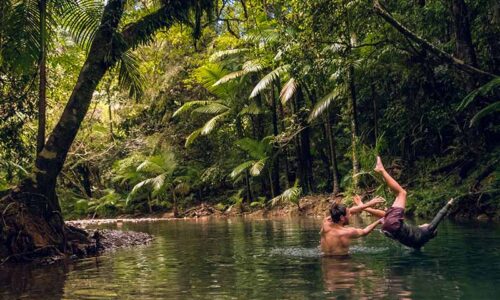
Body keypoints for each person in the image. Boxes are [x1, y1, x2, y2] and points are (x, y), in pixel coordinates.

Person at [354, 156, 455, 249]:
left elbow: (439, 216)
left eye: (426, 224)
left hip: (394, 226)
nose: (424, 224)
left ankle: (381, 170)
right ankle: (363, 207)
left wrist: (448, 205)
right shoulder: (418, 243)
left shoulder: (428, 230)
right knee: (386, 215)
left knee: (402, 193)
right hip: (389, 230)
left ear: (429, 229)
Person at [320, 198, 385, 256]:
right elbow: (365, 231)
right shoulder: (347, 232)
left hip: (326, 264)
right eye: (349, 215)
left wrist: (368, 204)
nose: (350, 216)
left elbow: (349, 211)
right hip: (342, 264)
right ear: (342, 218)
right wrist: (379, 221)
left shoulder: (326, 223)